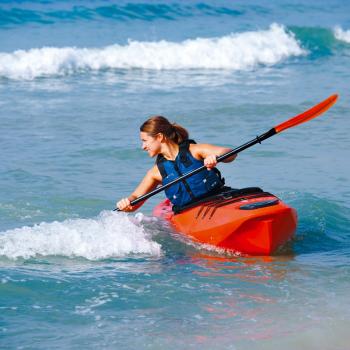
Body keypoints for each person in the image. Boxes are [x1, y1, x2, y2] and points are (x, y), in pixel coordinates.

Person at [116, 116, 237, 212]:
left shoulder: (194, 150)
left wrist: (216, 157)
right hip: (188, 212)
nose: (143, 147)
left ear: (159, 137)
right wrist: (127, 203)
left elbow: (231, 154)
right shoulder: (156, 172)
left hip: (218, 199)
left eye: (145, 141)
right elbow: (136, 198)